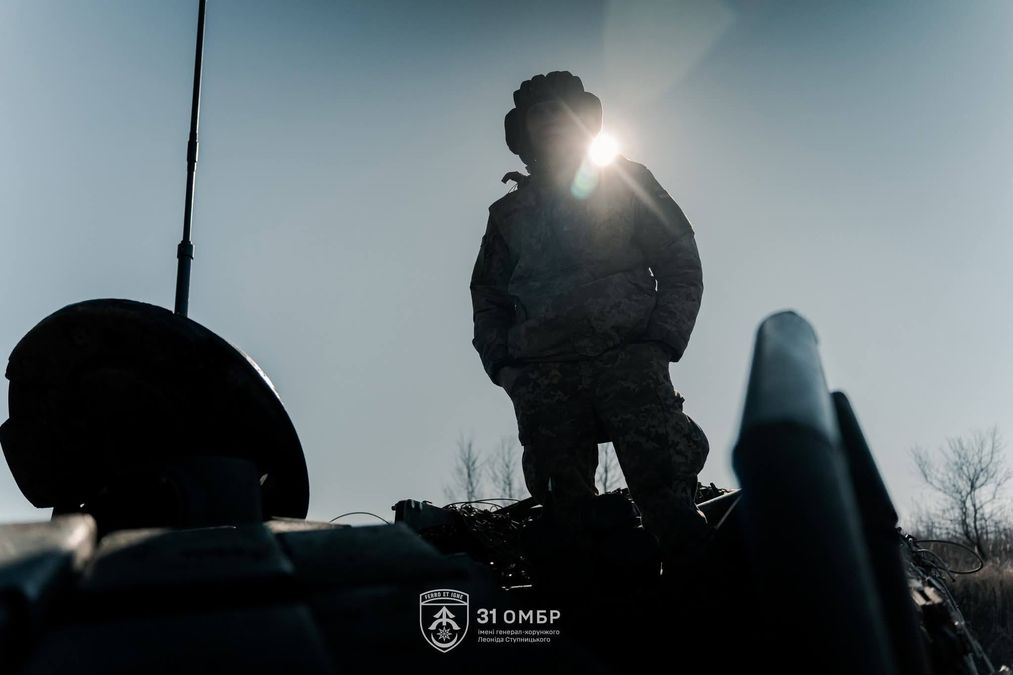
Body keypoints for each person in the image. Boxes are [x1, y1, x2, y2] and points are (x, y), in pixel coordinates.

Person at [469, 71, 712, 574]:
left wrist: (660, 342)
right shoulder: (508, 215)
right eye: (540, 114)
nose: (552, 121)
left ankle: (697, 593)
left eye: (562, 110)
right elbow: (488, 297)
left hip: (630, 358)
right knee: (565, 520)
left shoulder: (627, 182)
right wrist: (507, 371)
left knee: (666, 491)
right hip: (545, 374)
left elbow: (680, 261)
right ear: (524, 131)